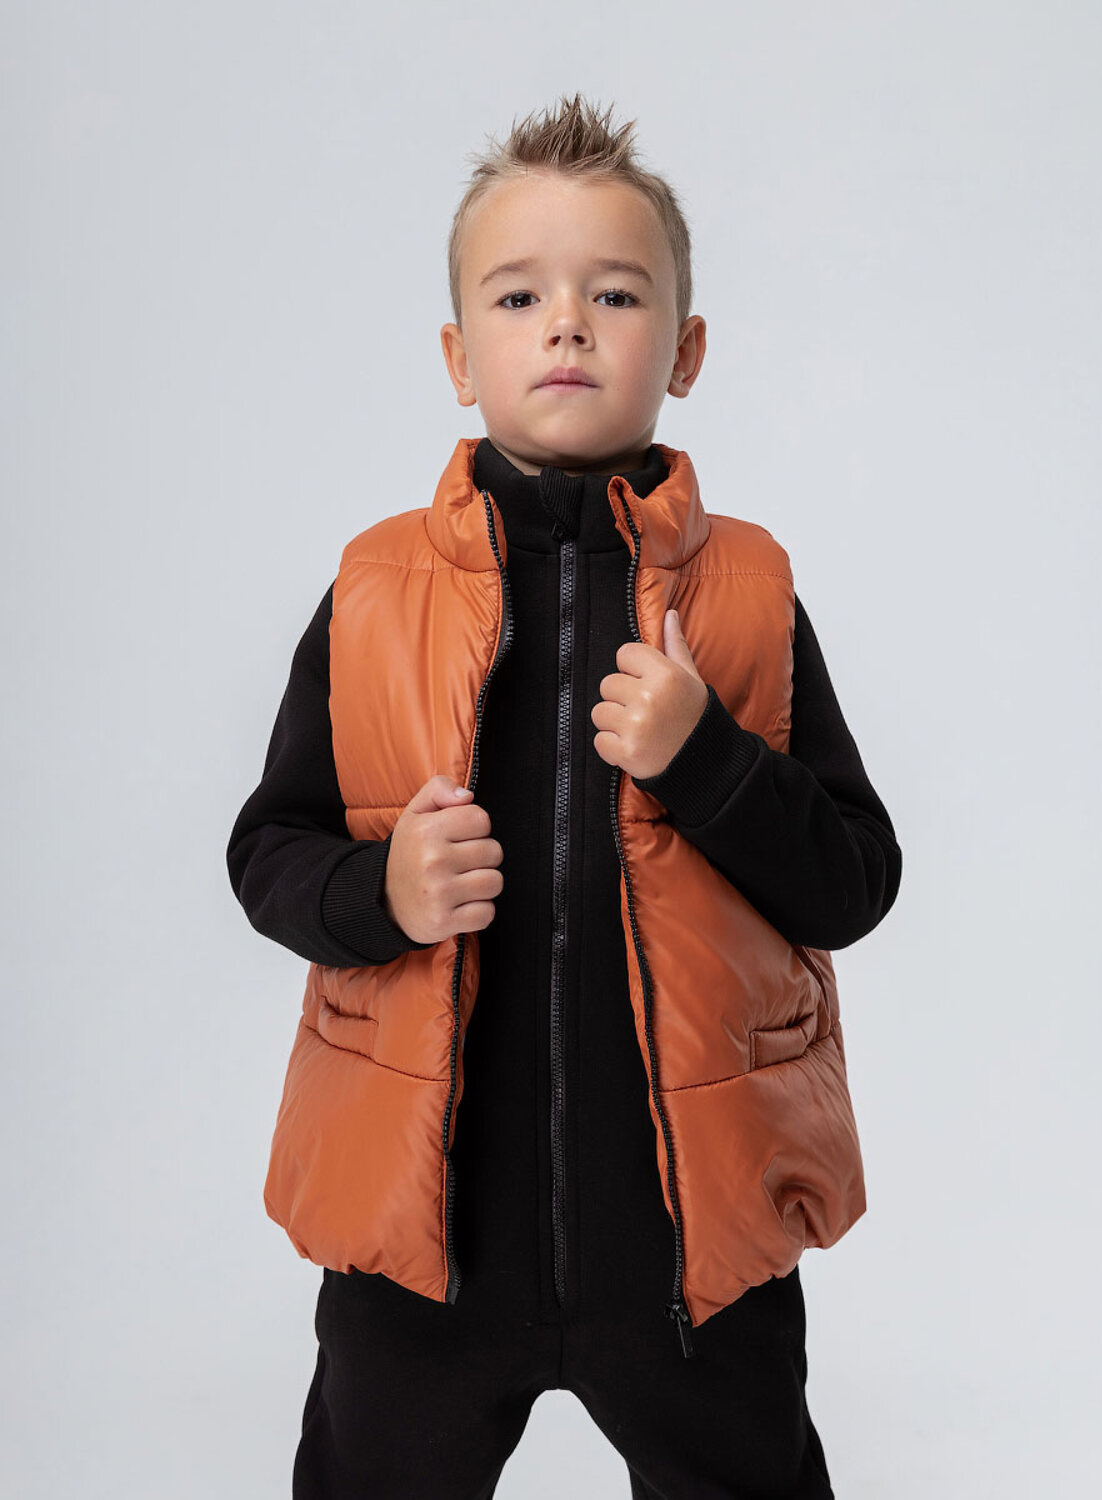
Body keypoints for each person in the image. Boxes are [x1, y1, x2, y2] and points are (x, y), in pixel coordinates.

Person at [227, 92, 902, 1500]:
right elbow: (267, 851)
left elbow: (853, 879)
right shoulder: (372, 594)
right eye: (519, 294)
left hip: (687, 1244)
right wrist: (381, 891)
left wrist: (706, 759)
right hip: (424, 1244)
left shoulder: (750, 596)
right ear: (457, 355)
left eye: (617, 292)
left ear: (686, 349)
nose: (568, 327)